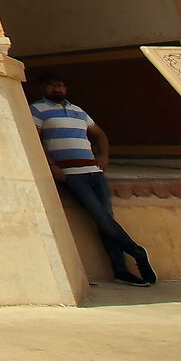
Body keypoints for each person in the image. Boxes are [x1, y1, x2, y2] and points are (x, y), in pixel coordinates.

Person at [28, 75, 155, 286]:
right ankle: (138, 252)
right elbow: (35, 138)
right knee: (102, 218)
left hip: (93, 170)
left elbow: (99, 134)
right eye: (52, 85)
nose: (57, 88)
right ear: (43, 88)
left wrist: (104, 156)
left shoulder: (78, 110)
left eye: (60, 84)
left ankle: (120, 269)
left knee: (105, 219)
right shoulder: (37, 109)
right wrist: (51, 165)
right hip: (71, 173)